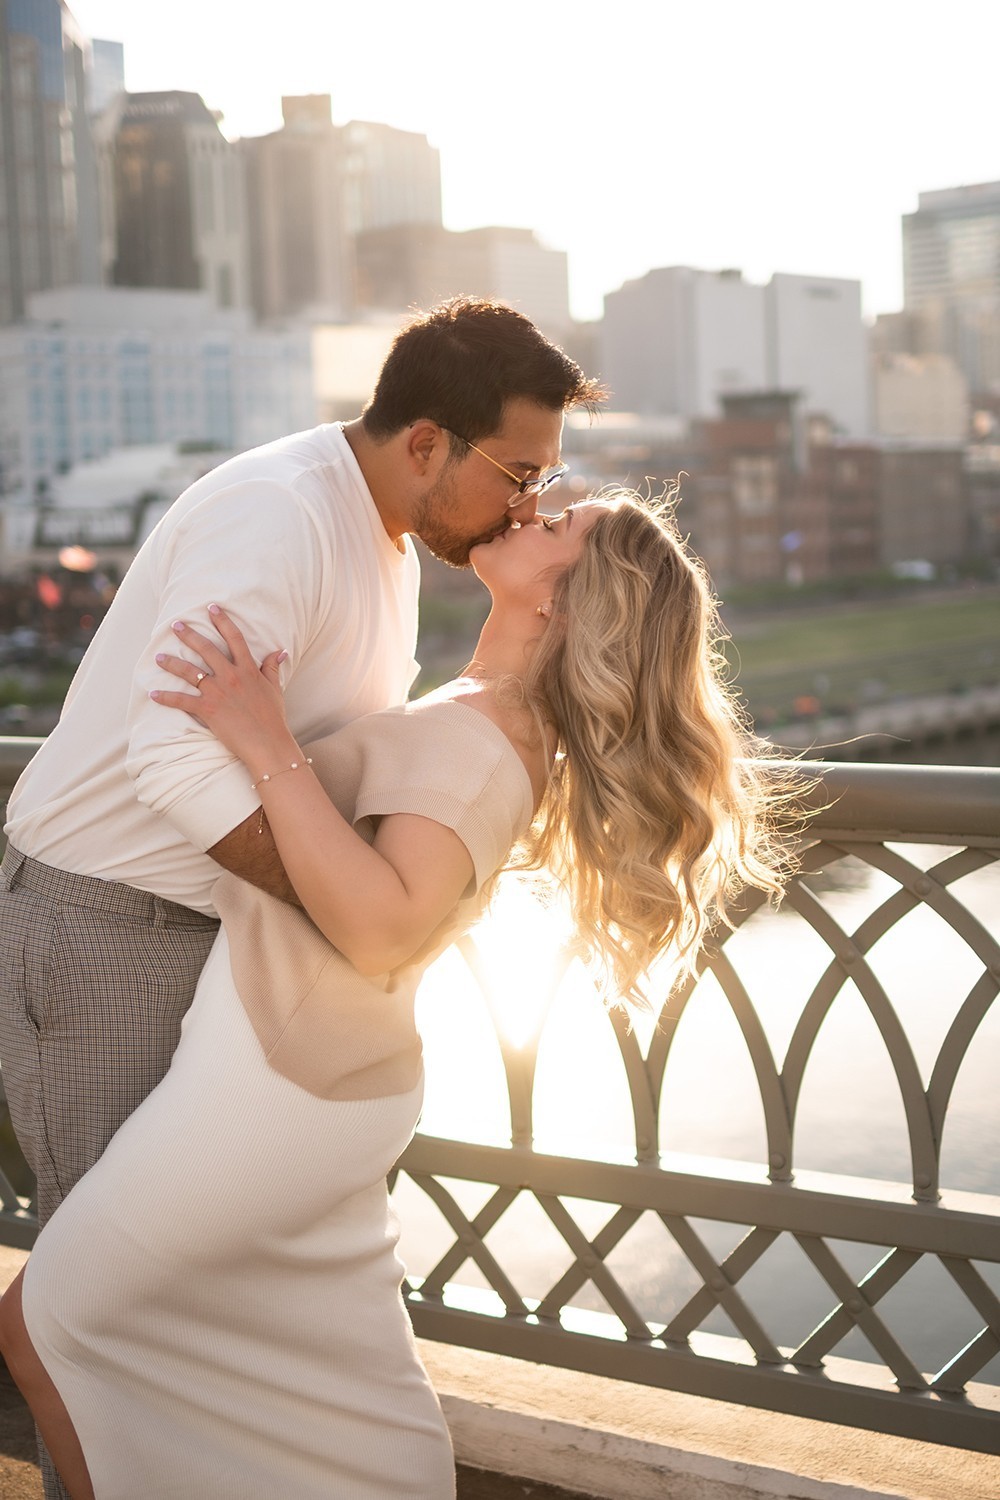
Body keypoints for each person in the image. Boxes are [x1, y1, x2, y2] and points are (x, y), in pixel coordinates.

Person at [0, 490, 799, 1499]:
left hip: (276, 1088)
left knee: (50, 1325)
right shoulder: (492, 713)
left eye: (559, 526)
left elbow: (381, 927)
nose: (533, 510)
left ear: (564, 600)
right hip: (315, 1075)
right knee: (334, 1378)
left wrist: (262, 740)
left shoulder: (482, 733)